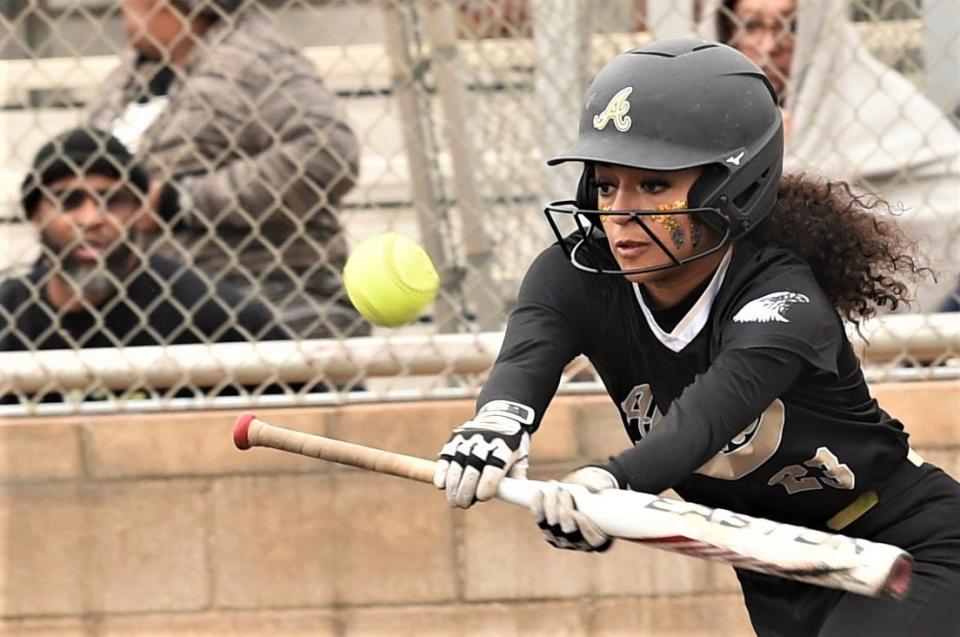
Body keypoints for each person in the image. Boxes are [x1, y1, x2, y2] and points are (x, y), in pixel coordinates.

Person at [433, 39, 960, 636]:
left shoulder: (782, 299)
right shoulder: (575, 275)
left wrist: (611, 485)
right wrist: (497, 425)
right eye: (606, 186)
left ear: (728, 190)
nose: (619, 213)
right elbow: (528, 357)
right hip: (774, 568)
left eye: (653, 187)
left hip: (901, 545)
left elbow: (704, 420)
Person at [85, 0, 367, 339]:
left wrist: (179, 201)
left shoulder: (256, 60)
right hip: (149, 312)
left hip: (270, 298)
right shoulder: (128, 78)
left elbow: (328, 152)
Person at [700, 0, 960, 311]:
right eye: (751, 26)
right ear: (725, 28)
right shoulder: (690, 115)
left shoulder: (877, 103)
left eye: (790, 27)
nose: (768, 46)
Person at [2, 126, 279, 354]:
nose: (91, 219)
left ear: (139, 211)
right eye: (68, 202)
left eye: (112, 201)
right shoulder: (9, 314)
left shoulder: (211, 315)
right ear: (36, 213)